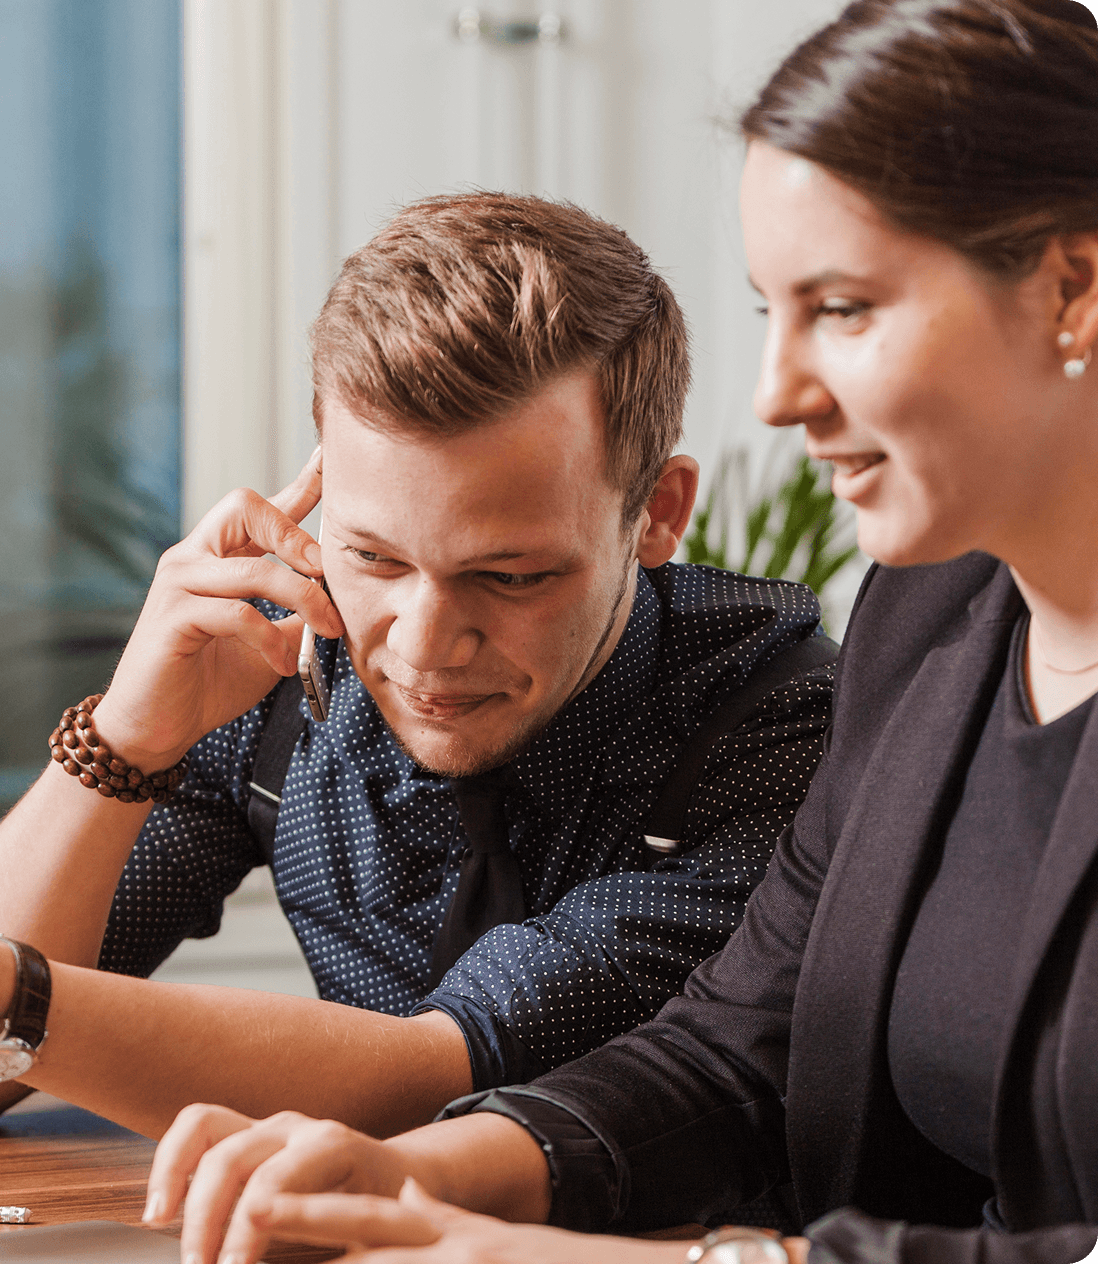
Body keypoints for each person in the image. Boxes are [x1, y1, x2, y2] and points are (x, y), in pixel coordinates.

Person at [108, 1, 1098, 1261]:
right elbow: (740, 1041)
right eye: (770, 315)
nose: (778, 394)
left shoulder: (780, 689)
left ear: (1070, 285)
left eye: (842, 309)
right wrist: (424, 1177)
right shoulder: (931, 618)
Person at [0, 193, 834, 1146]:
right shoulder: (283, 665)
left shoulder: (781, 725)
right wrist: (126, 739)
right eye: (375, 557)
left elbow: (441, 1082)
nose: (419, 646)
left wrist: (1, 996)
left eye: (509, 576)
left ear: (658, 512)